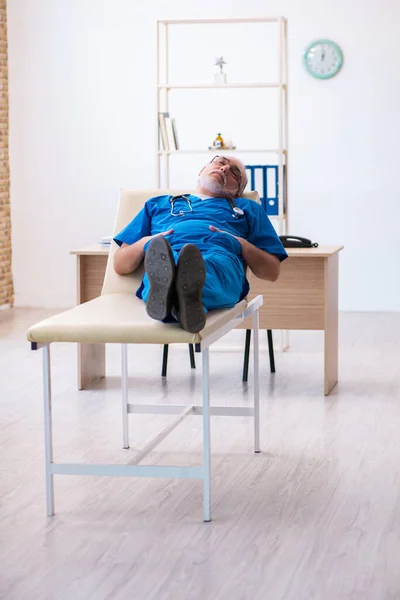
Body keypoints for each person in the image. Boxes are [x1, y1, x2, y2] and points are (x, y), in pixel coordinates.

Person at [113, 155, 288, 333]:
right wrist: (146, 242)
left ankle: (171, 300)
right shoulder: (157, 204)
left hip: (220, 255)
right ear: (201, 171)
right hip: (168, 251)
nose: (224, 169)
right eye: (220, 162)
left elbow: (271, 271)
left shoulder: (248, 208)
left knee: (208, 266)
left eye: (234, 172)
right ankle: (184, 303)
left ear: (237, 191)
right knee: (166, 261)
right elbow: (120, 264)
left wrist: (240, 243)